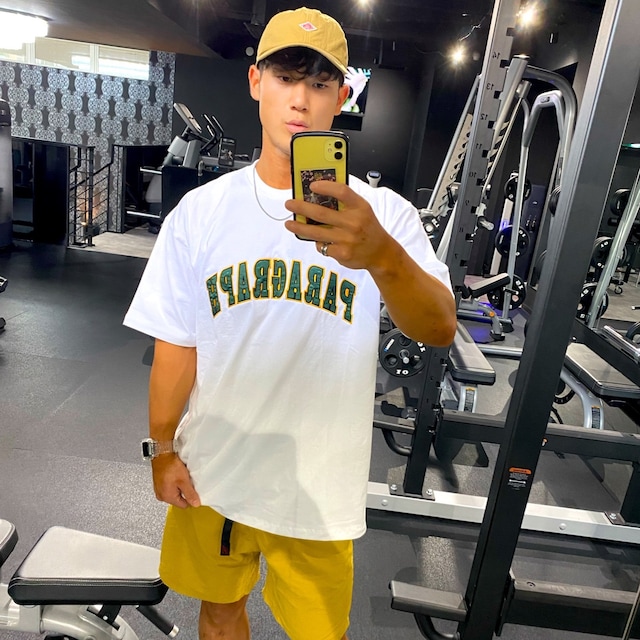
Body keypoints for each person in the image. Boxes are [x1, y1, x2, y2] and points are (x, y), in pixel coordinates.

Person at [124, 7, 456, 640]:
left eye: (320, 83)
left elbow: (439, 328)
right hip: (215, 470)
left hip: (318, 488)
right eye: (285, 78)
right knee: (219, 612)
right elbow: (177, 344)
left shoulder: (383, 214)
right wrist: (161, 451)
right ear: (256, 82)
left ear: (343, 97)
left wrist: (382, 256)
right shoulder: (200, 213)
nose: (300, 100)